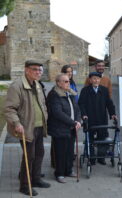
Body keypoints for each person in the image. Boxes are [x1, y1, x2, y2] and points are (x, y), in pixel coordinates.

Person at [4, 60, 50, 196]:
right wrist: (17, 123)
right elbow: (9, 109)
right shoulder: (17, 86)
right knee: (29, 156)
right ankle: (24, 185)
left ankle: (35, 179)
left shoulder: (37, 84)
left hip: (39, 126)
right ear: (26, 70)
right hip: (26, 127)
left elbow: (42, 103)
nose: (38, 72)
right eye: (35, 69)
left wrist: (45, 116)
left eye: (40, 70)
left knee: (39, 153)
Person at [46, 74, 81, 183]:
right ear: (58, 83)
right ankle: (59, 173)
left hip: (71, 127)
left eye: (68, 81)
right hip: (59, 128)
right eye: (65, 81)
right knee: (60, 152)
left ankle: (68, 170)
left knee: (69, 151)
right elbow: (57, 112)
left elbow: (77, 108)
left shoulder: (69, 93)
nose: (68, 83)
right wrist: (73, 122)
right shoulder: (54, 94)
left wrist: (78, 121)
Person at [79, 72, 117, 165]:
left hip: (101, 119)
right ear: (90, 80)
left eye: (98, 79)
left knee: (103, 138)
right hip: (90, 119)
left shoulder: (104, 90)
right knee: (90, 139)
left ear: (100, 80)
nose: (96, 80)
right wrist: (83, 114)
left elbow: (109, 103)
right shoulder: (85, 90)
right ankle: (91, 158)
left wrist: (113, 114)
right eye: (94, 78)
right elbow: (81, 104)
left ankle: (101, 157)